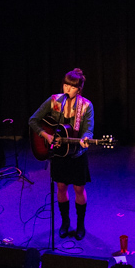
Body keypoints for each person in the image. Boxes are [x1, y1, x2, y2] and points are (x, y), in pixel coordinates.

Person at [28, 68, 95, 240]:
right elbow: (33, 120)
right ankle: (65, 222)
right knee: (61, 187)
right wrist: (46, 135)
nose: (67, 89)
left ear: (79, 89)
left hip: (77, 154)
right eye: (65, 85)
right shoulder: (54, 101)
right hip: (58, 154)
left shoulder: (86, 106)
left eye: (72, 87)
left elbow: (88, 130)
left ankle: (80, 224)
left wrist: (86, 139)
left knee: (79, 188)